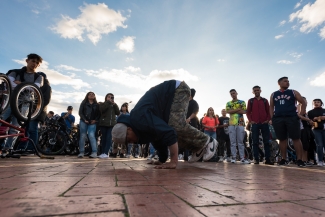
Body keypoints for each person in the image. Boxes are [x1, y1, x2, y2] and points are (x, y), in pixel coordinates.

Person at [111, 80, 217, 169]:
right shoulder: (140, 128)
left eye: (128, 139)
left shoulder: (139, 118)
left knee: (174, 126)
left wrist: (174, 161)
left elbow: (168, 132)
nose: (131, 142)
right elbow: (156, 137)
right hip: (167, 103)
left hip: (178, 89)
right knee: (170, 132)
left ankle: (208, 141)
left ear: (129, 129)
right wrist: (162, 160)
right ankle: (198, 148)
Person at [2, 53, 44, 151]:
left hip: (25, 104)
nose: (35, 64)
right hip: (9, 101)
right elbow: (10, 84)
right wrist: (27, 86)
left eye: (37, 63)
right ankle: (2, 146)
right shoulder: (14, 72)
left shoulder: (39, 77)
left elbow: (34, 89)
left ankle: (8, 148)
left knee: (16, 127)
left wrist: (20, 83)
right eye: (33, 61)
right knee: (2, 121)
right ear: (27, 61)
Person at [269, 77, 306, 167]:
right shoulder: (274, 94)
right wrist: (272, 118)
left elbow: (303, 102)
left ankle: (300, 159)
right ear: (279, 83)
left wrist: (300, 114)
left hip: (292, 117)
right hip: (278, 118)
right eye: (285, 81)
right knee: (282, 139)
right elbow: (271, 106)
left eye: (288, 81)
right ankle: (284, 159)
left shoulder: (293, 92)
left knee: (296, 138)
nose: (287, 82)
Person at [246, 85, 273, 165]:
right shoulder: (251, 101)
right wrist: (251, 121)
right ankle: (256, 159)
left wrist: (268, 119)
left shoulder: (265, 100)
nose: (256, 91)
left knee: (266, 142)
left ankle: (267, 159)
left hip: (264, 123)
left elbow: (268, 111)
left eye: (258, 90)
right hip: (255, 124)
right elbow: (248, 112)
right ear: (253, 92)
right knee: (255, 142)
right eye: (255, 90)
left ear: (260, 91)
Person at [226, 89, 249, 164]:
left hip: (240, 122)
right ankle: (234, 157)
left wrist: (233, 110)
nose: (233, 94)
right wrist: (238, 109)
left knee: (240, 141)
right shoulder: (228, 103)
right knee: (232, 142)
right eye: (231, 94)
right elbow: (228, 111)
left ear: (236, 93)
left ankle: (242, 157)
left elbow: (244, 111)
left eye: (234, 93)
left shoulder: (242, 102)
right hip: (231, 123)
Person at [78, 92, 100, 158]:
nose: (91, 95)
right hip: (83, 121)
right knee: (83, 135)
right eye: (90, 94)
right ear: (87, 96)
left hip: (92, 122)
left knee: (91, 135)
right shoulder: (84, 103)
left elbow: (99, 114)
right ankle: (81, 152)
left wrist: (95, 120)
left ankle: (94, 152)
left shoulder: (97, 105)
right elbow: (80, 112)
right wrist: (84, 119)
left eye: (93, 94)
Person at [98, 93, 120, 159]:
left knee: (108, 138)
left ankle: (106, 152)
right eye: (108, 97)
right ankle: (102, 152)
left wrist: (115, 105)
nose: (110, 98)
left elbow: (118, 112)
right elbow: (102, 109)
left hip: (112, 124)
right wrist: (107, 102)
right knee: (103, 138)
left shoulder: (114, 105)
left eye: (111, 97)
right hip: (103, 123)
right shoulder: (102, 104)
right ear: (106, 98)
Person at [307, 99, 325, 166]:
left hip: (324, 129)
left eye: (318, 102)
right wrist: (313, 120)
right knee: (319, 145)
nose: (316, 103)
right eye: (315, 102)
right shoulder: (310, 112)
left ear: (321, 103)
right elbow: (308, 121)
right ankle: (320, 160)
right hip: (316, 129)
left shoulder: (324, 110)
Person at [298, 97, 314, 166]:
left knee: (307, 145)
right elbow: (298, 115)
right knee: (303, 145)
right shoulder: (299, 107)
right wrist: (308, 120)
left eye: (305, 101)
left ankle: (306, 160)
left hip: (307, 128)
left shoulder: (305, 110)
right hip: (301, 128)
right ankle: (303, 160)